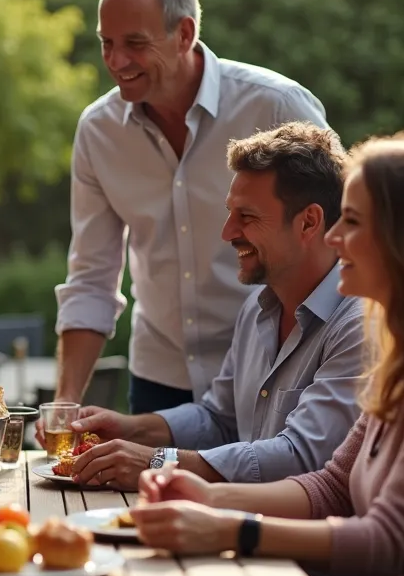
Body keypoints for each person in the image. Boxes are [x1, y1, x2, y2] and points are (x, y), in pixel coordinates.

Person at [129, 129, 404, 576]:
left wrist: (231, 530)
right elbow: (333, 487)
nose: (332, 237)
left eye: (351, 221)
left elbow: (391, 544)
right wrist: (207, 497)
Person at [49, 0, 331, 426]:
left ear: (184, 34)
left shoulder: (277, 105)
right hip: (159, 378)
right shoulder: (98, 131)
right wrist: (65, 402)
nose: (116, 61)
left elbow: (338, 238)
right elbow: (92, 276)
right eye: (106, 43)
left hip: (274, 368)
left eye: (135, 43)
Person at [65, 122, 365, 491]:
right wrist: (130, 428)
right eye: (229, 213)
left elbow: (303, 456)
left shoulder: (359, 324)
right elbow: (220, 420)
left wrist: (158, 461)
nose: (227, 232)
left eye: (247, 217)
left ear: (308, 222)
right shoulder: (256, 307)